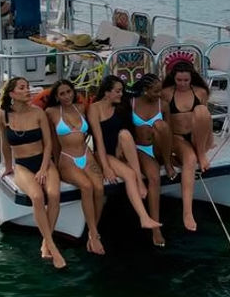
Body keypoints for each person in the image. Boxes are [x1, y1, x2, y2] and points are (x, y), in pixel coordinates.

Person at [0, 77, 66, 269]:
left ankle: (45, 242)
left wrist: (44, 168)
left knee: (54, 194)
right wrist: (8, 166)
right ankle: (52, 246)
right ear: (12, 94)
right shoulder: (2, 115)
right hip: (23, 165)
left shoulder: (38, 113)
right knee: (36, 196)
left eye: (27, 87)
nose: (28, 90)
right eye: (22, 88)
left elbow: (49, 143)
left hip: (43, 161)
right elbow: (5, 142)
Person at [87, 75, 162, 230]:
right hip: (103, 153)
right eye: (118, 91)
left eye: (121, 91)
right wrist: (106, 167)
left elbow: (127, 134)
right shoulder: (94, 109)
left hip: (118, 151)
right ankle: (144, 217)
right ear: (107, 93)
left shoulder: (120, 107)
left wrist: (120, 149)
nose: (121, 94)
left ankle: (140, 184)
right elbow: (98, 140)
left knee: (125, 134)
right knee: (129, 175)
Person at [44, 80, 106, 255]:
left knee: (99, 188)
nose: (66, 96)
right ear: (56, 96)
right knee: (86, 186)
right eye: (62, 94)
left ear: (73, 92)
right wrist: (55, 165)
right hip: (67, 157)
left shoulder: (81, 107)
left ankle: (92, 231)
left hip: (86, 154)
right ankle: (94, 235)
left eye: (68, 92)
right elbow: (53, 142)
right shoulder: (51, 112)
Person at [161, 61, 214, 232]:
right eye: (179, 80)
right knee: (189, 161)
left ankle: (201, 154)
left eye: (186, 80)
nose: (182, 84)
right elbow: (165, 123)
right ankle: (187, 212)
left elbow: (206, 121)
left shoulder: (201, 92)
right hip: (178, 138)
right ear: (173, 78)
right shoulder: (167, 93)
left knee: (201, 111)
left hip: (198, 136)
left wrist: (207, 142)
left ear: (192, 78)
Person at [129, 73, 175, 247]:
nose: (159, 94)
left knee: (161, 125)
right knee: (154, 178)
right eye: (155, 91)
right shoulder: (131, 103)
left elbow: (168, 133)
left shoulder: (163, 105)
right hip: (141, 149)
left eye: (160, 90)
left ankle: (168, 165)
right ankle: (155, 227)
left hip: (159, 148)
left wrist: (169, 158)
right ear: (145, 90)